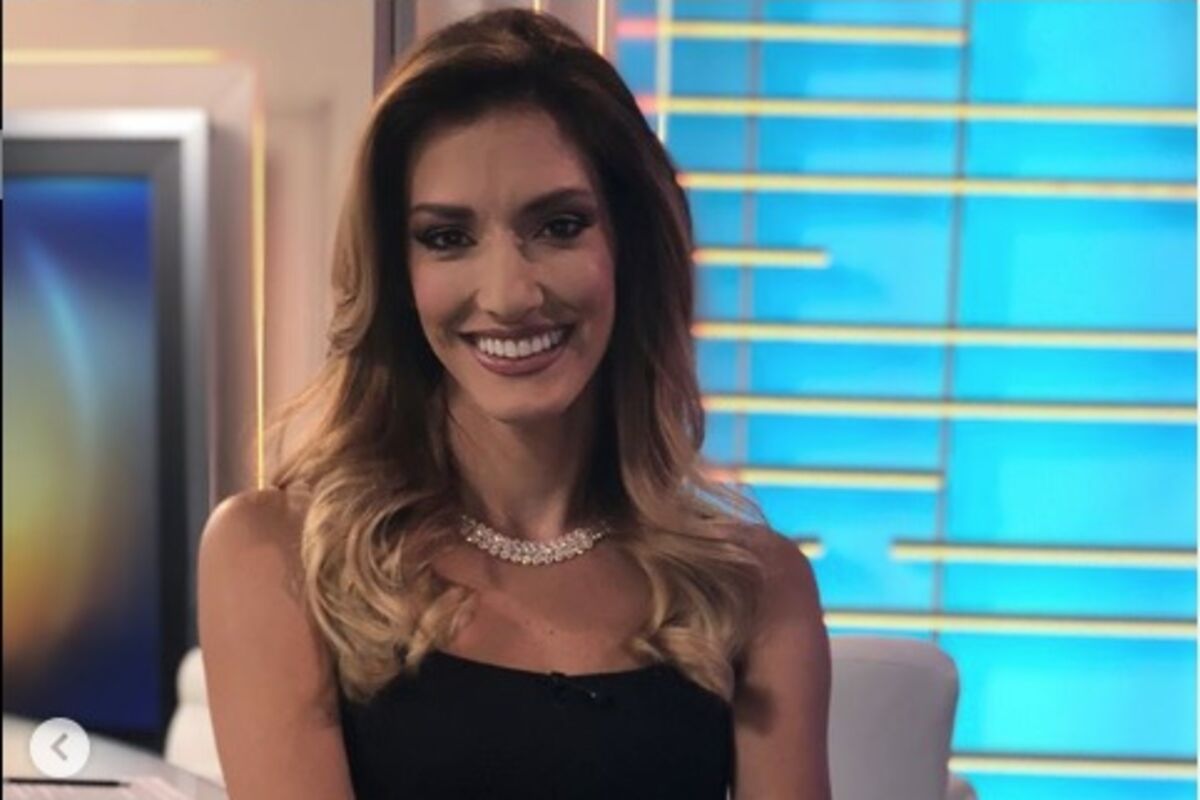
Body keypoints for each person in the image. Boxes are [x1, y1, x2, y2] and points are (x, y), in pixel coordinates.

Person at [197, 8, 830, 799]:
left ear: (628, 246)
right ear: (398, 274)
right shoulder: (279, 558)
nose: (507, 295)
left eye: (559, 226)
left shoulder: (754, 587)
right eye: (446, 238)